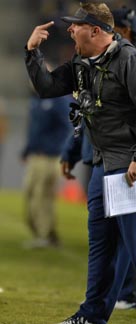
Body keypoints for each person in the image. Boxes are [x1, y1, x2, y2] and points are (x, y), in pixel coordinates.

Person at [25, 2, 136, 324]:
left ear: (96, 30)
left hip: (134, 164)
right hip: (104, 162)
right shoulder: (82, 63)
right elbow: (47, 88)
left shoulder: (131, 60)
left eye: (76, 25)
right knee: (101, 243)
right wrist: (32, 53)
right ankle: (92, 315)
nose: (70, 30)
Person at [61, 6, 136, 311]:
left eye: (132, 34)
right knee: (103, 233)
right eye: (130, 31)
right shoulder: (89, 61)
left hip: (128, 158)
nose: (132, 38)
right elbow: (83, 115)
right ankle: (97, 305)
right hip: (97, 155)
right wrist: (72, 151)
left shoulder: (134, 61)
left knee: (129, 233)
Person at [21, 86, 72, 249]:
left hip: (51, 157)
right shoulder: (35, 100)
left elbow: (67, 127)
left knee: (42, 195)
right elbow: (34, 129)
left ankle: (45, 235)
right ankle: (45, 233)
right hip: (36, 156)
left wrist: (58, 149)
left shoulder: (59, 100)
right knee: (30, 194)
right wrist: (27, 149)